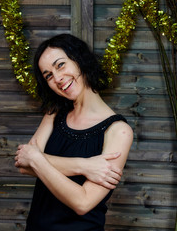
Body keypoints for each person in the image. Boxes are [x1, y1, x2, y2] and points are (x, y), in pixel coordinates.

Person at [14, 34, 133, 231]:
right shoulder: (54, 113)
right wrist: (83, 165)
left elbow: (83, 202)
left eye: (60, 65)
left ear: (79, 60)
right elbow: (23, 164)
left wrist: (36, 157)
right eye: (48, 75)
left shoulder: (119, 131)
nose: (58, 79)